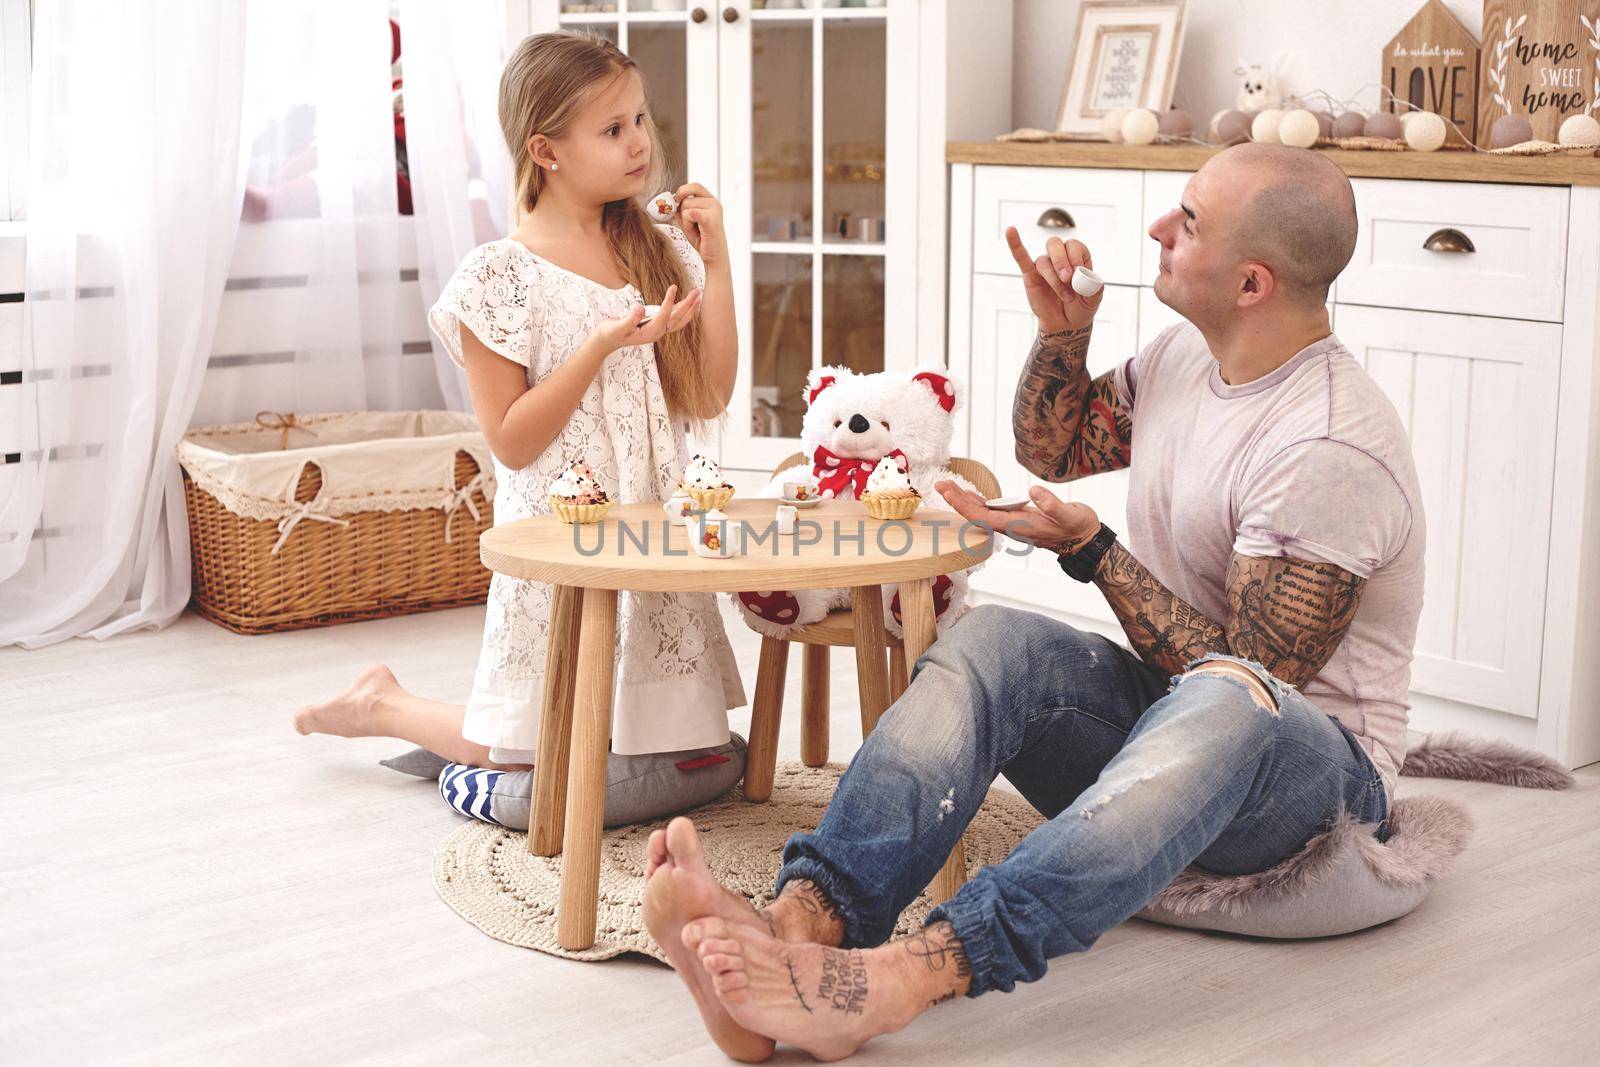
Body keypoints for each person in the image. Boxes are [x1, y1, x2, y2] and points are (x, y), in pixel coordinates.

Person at [642, 141, 1426, 1062]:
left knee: (1224, 693)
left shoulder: (1328, 443)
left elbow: (1250, 679)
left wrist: (1095, 552)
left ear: (1252, 284)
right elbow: (1056, 451)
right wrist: (1063, 333)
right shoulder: (1186, 355)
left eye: (1191, 222)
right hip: (1183, 712)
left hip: (1313, 783)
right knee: (995, 640)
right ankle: (804, 921)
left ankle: (912, 972)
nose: (1159, 228)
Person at [294, 32, 745, 792]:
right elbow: (511, 440)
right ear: (546, 150)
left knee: (680, 745)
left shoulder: (658, 246)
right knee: (524, 753)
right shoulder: (499, 275)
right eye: (612, 130)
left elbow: (712, 390)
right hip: (560, 544)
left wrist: (721, 260)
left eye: (640, 119)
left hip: (647, 530)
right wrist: (599, 348)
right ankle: (387, 702)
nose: (640, 143)